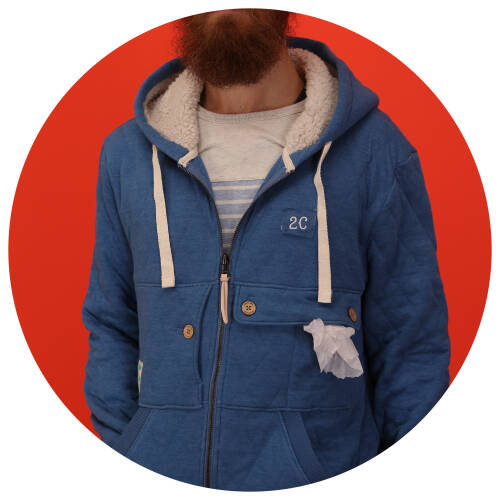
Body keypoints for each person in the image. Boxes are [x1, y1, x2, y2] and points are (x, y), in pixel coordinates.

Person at [81, 8, 451, 491]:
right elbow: (112, 321)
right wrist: (128, 452)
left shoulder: (375, 150)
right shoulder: (128, 155)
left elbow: (412, 341)